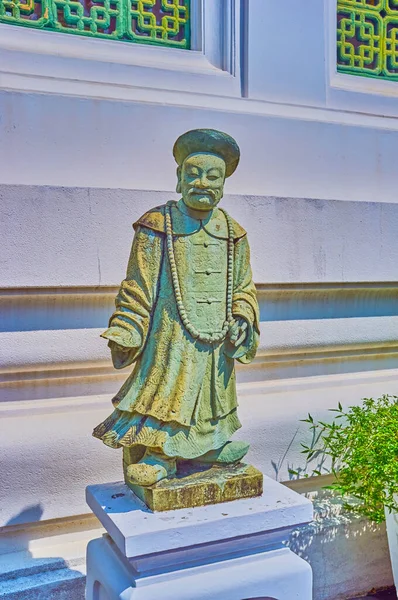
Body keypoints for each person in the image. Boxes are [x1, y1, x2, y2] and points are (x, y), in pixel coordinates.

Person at [93, 128, 260, 487]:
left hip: (216, 342)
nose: (202, 183)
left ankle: (207, 447)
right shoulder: (157, 225)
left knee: (208, 401)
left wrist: (243, 319)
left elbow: (244, 287)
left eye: (212, 176)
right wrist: (127, 328)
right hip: (171, 337)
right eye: (192, 174)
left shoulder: (234, 232)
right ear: (178, 178)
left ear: (224, 183)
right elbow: (138, 284)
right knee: (168, 394)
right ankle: (161, 456)